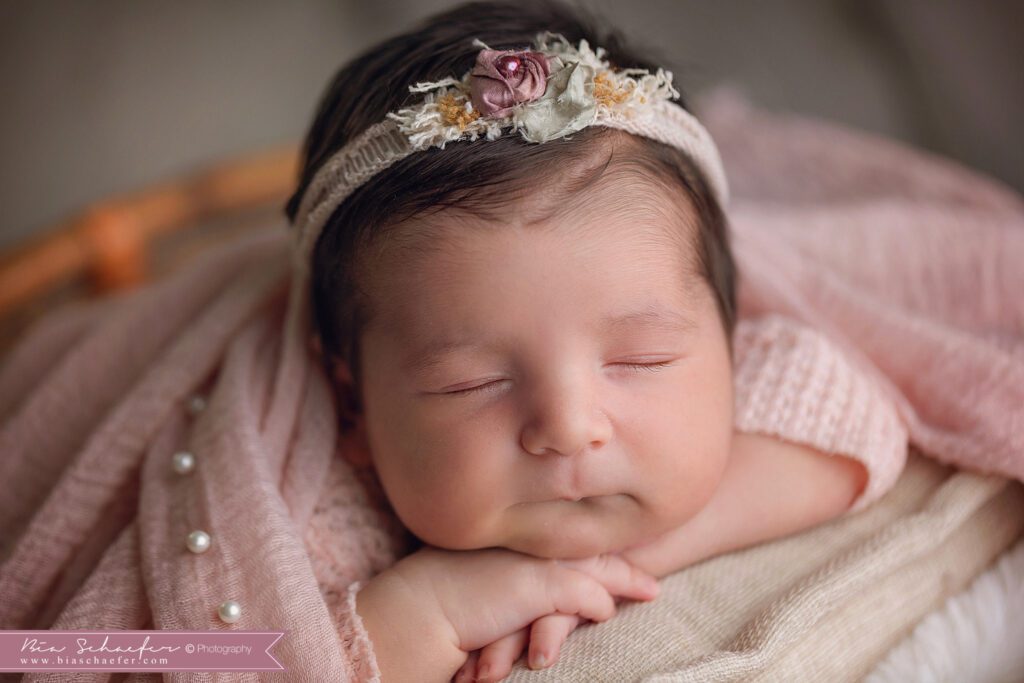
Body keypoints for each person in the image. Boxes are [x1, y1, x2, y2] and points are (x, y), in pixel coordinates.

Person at [280, 1, 907, 680]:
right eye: (472, 382)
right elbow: (159, 651)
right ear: (353, 407)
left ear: (732, 338)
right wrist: (409, 613)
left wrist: (598, 566)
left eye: (642, 360)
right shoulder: (309, 507)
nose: (570, 428)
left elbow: (856, 423)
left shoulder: (734, 350)